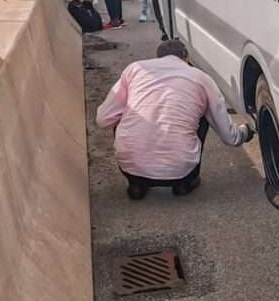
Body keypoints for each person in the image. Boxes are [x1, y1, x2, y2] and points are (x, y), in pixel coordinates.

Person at [95, 39, 255, 199]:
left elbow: (103, 119)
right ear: (186, 57)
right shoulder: (201, 78)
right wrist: (244, 133)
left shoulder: (135, 70)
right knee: (204, 114)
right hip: (181, 171)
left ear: (158, 57)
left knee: (120, 114)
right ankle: (184, 184)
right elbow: (228, 135)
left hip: (131, 168)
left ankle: (136, 185)